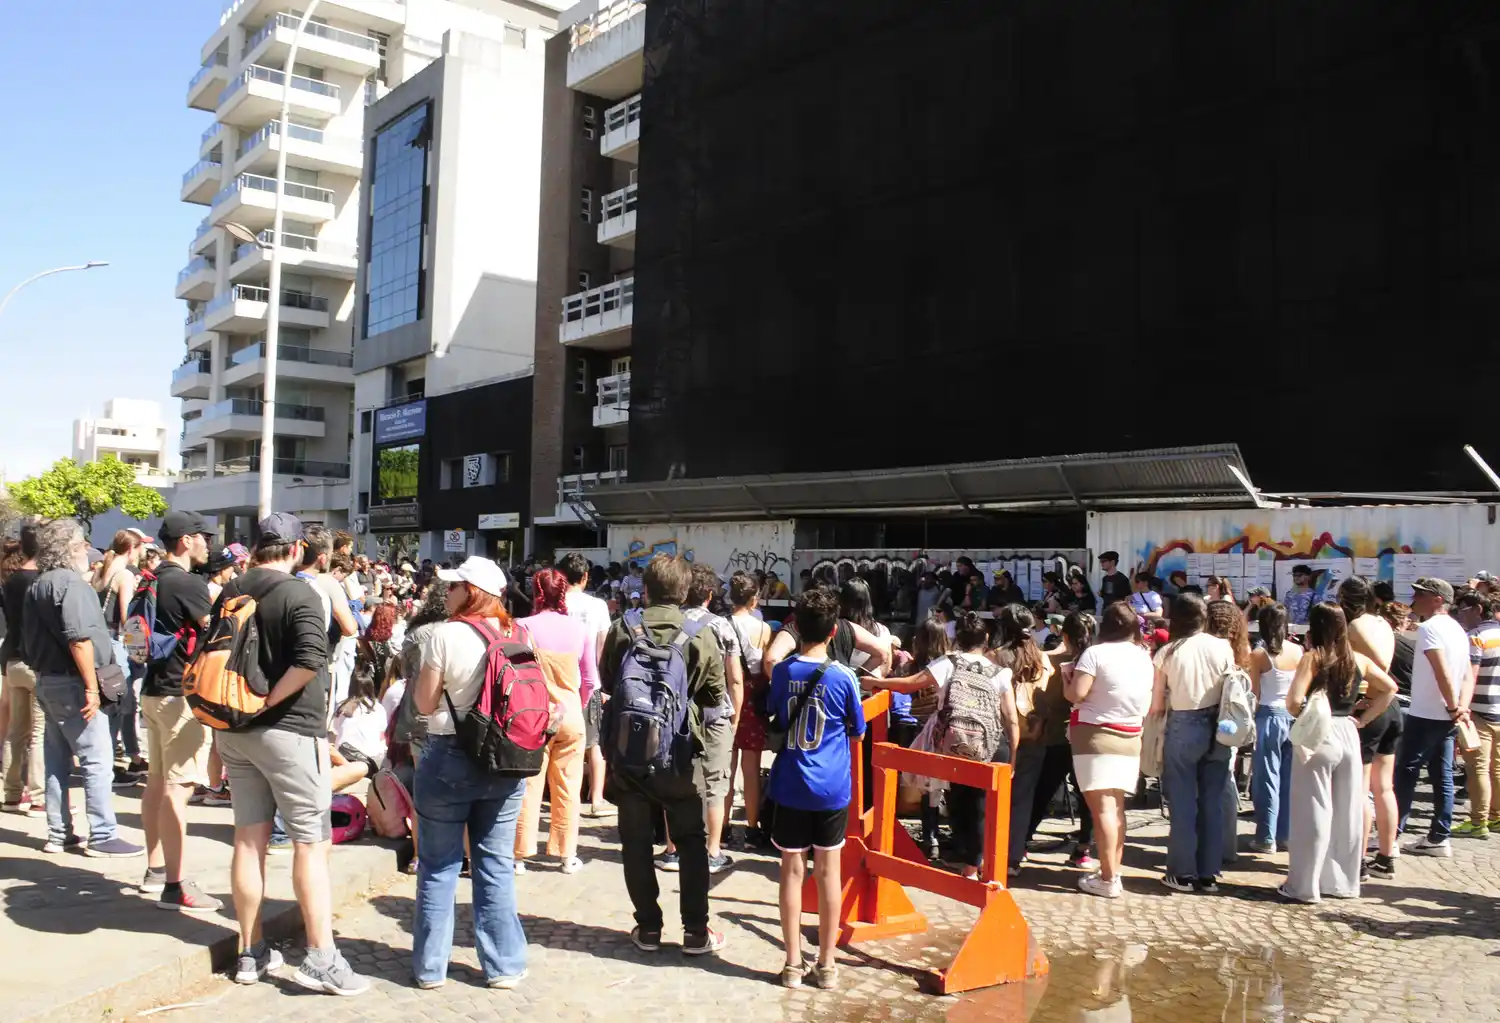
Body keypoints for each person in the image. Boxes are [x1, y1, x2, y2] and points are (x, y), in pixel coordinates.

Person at [214, 513, 368, 995]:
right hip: (288, 730)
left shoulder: (233, 588)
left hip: (233, 730)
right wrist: (270, 700)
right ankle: (321, 957)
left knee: (248, 840)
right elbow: (308, 661)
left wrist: (250, 706)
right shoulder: (298, 592)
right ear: (297, 547)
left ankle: (250, 950)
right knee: (310, 842)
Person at [410, 557, 531, 990]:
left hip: (449, 756)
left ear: (472, 591)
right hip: (506, 760)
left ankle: (429, 968)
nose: (448, 591)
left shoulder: (444, 635)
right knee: (495, 864)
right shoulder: (518, 634)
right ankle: (505, 966)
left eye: (455, 584)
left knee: (439, 865)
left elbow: (424, 705)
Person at [600, 555, 728, 956]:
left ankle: (649, 928)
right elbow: (713, 696)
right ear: (686, 591)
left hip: (631, 751)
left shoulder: (623, 628)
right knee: (691, 842)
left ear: (647, 588)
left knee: (636, 842)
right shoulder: (702, 633)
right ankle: (695, 931)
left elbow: (609, 682)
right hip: (681, 755)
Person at [22, 518, 144, 858]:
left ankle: (59, 833)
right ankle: (102, 834)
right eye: (82, 545)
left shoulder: (40, 583)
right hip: (73, 681)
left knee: (58, 760)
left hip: (50, 679)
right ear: (73, 548)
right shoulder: (69, 585)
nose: (87, 551)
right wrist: (92, 687)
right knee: (97, 759)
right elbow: (79, 639)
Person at [868, 611, 1018, 878]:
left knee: (962, 805)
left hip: (957, 743)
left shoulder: (948, 662)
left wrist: (877, 682)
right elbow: (1011, 719)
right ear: (985, 638)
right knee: (985, 807)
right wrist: (1013, 757)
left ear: (957, 638)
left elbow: (910, 685)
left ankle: (970, 866)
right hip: (993, 744)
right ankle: (986, 865)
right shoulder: (1000, 672)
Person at [767, 586, 866, 990]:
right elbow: (858, 732)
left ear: (797, 627)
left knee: (791, 871)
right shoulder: (844, 677)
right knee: (828, 873)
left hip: (790, 784)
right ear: (833, 632)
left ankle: (792, 963)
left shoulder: (782, 672)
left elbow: (775, 712)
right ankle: (826, 964)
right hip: (830, 788)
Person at [1281, 603, 1397, 903]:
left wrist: (1307, 711)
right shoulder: (1357, 659)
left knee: (1313, 808)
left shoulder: (1314, 657)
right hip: (1348, 731)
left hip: (1319, 731)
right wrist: (1364, 718)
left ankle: (1304, 885)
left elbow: (1293, 702)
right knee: (1348, 808)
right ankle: (1343, 883)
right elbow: (1389, 688)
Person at [139, 510, 220, 911]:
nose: (209, 543)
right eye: (203, 536)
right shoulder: (189, 583)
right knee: (178, 789)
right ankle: (176, 885)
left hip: (152, 692)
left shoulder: (151, 577)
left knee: (157, 783)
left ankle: (155, 870)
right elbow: (216, 632)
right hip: (181, 697)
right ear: (186, 541)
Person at [1065, 603, 1154, 898]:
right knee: (1116, 808)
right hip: (1131, 735)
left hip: (1096, 735)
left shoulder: (1095, 653)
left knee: (1102, 808)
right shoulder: (1143, 656)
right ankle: (1112, 871)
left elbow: (1076, 693)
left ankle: (1108, 879)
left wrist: (1066, 680)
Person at [1150, 593, 1235, 893]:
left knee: (1183, 802)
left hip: (1184, 724)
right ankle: (1209, 873)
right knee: (1212, 801)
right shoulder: (1222, 646)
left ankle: (1182, 873)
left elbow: (1157, 703)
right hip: (1220, 725)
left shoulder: (1168, 652)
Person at [516, 567, 596, 874]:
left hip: (533, 715)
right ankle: (566, 854)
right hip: (571, 713)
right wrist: (576, 704)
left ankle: (519, 855)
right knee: (568, 786)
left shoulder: (523, 626)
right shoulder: (578, 629)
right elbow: (590, 678)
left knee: (528, 786)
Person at [668, 565, 743, 873]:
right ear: (710, 595)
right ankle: (712, 852)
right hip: (714, 714)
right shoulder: (722, 627)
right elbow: (735, 679)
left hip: (677, 714)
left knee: (676, 781)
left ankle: (672, 850)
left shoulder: (671, 623)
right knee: (715, 782)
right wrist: (735, 716)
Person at [1393, 577, 1472, 858]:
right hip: (1446, 713)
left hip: (1427, 711)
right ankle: (1439, 836)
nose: (1414, 599)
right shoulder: (1458, 630)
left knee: (1406, 771)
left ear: (1438, 599)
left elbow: (1442, 671)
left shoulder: (1429, 628)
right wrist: (1460, 707)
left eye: (1420, 594)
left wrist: (1454, 707)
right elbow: (1466, 674)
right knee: (1442, 775)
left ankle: (1392, 834)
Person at [1338, 577, 1401, 877]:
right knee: (1384, 787)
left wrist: (1363, 704)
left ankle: (1359, 862)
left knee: (1361, 790)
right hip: (1392, 708)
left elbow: (1379, 668)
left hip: (1372, 705)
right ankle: (1386, 857)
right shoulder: (1383, 623)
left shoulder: (1356, 627)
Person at [993, 604, 1062, 871]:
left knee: (996, 797)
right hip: (1036, 732)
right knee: (1023, 798)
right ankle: (1013, 857)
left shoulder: (997, 657)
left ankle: (992, 852)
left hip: (1002, 734)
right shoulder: (1042, 659)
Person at [560, 552, 613, 820]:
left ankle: (563, 797)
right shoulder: (597, 606)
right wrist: (602, 680)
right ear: (585, 577)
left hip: (558, 681)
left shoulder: (552, 603)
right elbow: (602, 646)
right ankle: (596, 799)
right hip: (589, 681)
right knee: (594, 743)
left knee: (558, 743)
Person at [1248, 603, 1303, 853]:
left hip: (1268, 716)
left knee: (1267, 779)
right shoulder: (1298, 651)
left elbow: (1254, 694)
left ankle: (1266, 836)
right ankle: (1286, 835)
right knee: (1288, 779)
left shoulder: (1260, 654)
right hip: (1293, 715)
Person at [94, 529, 146, 783]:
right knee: (118, 705)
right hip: (116, 645)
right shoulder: (124, 574)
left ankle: (102, 762)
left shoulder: (100, 572)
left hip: (99, 643)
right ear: (131, 549)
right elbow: (127, 618)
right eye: (141, 547)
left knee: (107, 703)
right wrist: (138, 650)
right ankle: (109, 766)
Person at [726, 571, 771, 847]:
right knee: (751, 770)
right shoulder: (764, 628)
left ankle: (723, 826)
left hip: (729, 700)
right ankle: (753, 829)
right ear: (754, 599)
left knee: (726, 770)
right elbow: (767, 667)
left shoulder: (721, 625)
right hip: (754, 702)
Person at [1, 526, 45, 816]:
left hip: (11, 659)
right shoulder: (42, 582)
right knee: (39, 732)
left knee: (16, 731)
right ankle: (39, 796)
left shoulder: (11, 580)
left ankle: (12, 792)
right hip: (36, 661)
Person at [1453, 590, 1500, 839]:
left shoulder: (1475, 637)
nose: (1460, 616)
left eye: (1462, 610)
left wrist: (1463, 707)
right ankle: (1496, 817)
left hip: (1480, 711)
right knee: (1497, 768)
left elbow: (1470, 676)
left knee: (1478, 769)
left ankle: (1477, 822)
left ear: (1477, 609)